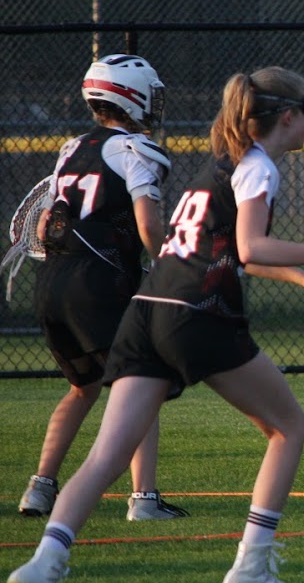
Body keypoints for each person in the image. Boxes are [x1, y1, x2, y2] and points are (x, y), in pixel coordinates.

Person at [6, 66, 304, 583]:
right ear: (288, 116)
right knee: (290, 428)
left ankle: (43, 567)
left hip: (147, 310)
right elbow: (252, 245)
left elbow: (236, 252)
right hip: (197, 312)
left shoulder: (225, 163)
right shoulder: (258, 167)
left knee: (108, 455)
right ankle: (251, 568)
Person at [17, 54, 188, 522]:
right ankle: (144, 499)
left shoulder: (71, 148)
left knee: (83, 389)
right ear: (130, 96)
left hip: (52, 284)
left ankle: (39, 489)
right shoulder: (135, 148)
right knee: (143, 383)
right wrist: (170, 266)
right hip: (98, 283)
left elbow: (49, 220)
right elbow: (148, 224)